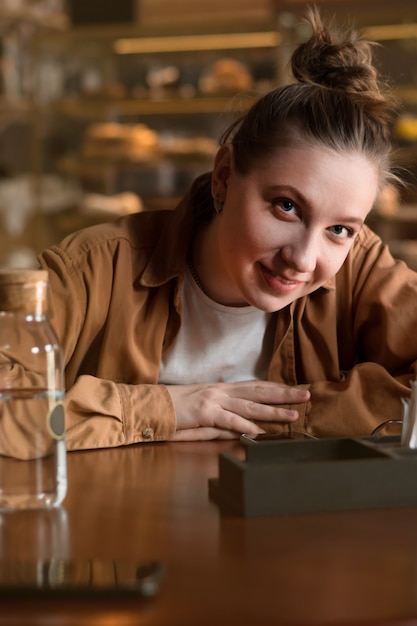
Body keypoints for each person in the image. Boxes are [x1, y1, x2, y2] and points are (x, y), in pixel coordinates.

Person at [39, 7, 417, 451]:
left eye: (340, 229)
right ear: (223, 175)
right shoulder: (93, 268)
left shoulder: (360, 264)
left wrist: (281, 416)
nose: (303, 259)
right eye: (287, 206)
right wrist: (166, 408)